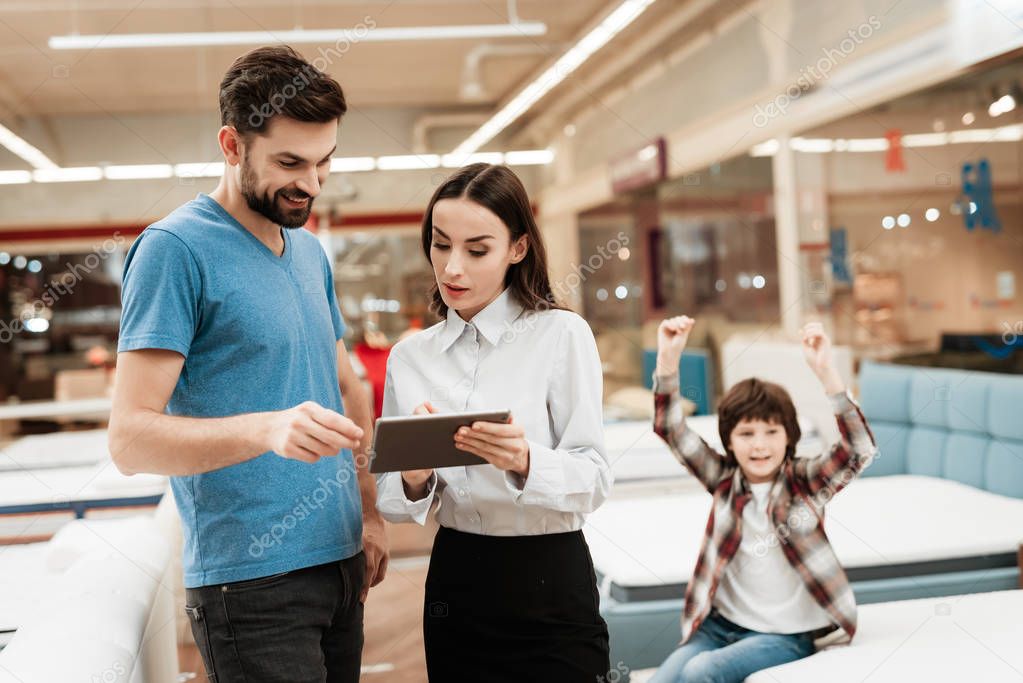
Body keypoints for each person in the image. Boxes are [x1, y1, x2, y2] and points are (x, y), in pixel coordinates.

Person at [108, 45, 388, 683]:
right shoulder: (174, 252)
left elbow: (346, 387)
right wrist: (267, 429)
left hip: (342, 563)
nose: (311, 184)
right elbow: (129, 439)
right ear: (232, 145)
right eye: (290, 162)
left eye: (323, 163)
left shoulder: (311, 254)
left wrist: (368, 511)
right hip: (251, 586)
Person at [376, 163, 613, 682]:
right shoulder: (410, 358)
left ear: (518, 248)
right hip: (458, 578)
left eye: (476, 250)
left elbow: (594, 479)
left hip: (550, 576)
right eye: (440, 245)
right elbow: (392, 503)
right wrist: (414, 475)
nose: (452, 268)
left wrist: (525, 460)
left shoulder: (561, 335)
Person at [649, 316, 877, 683]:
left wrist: (827, 375)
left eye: (772, 432)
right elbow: (670, 429)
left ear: (789, 436)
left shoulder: (804, 482)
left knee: (700, 672)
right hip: (720, 625)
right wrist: (667, 362)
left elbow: (859, 450)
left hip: (785, 634)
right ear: (729, 440)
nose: (759, 444)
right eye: (747, 433)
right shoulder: (723, 479)